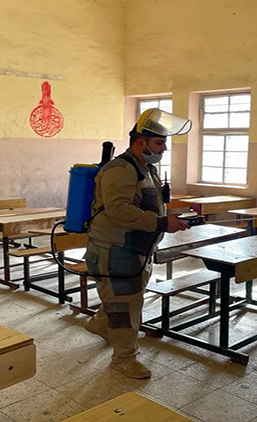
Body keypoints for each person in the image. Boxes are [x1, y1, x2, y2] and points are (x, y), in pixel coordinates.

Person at [83, 108, 192, 379]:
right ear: (140, 142)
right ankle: (124, 358)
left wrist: (165, 220)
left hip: (135, 248)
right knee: (125, 305)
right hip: (115, 249)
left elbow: (149, 205)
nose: (164, 148)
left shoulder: (146, 168)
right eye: (159, 143)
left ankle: (100, 324)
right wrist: (162, 223)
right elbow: (118, 210)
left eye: (164, 143)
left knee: (125, 297)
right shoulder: (120, 169)